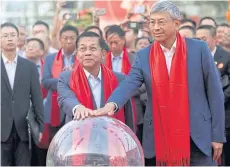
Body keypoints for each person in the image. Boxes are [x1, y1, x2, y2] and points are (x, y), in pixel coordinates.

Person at [92, 1, 226, 166]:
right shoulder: (144, 55)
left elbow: (215, 93)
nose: (155, 27)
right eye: (152, 22)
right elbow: (128, 84)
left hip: (197, 135)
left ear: (176, 23)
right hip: (160, 134)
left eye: (161, 22)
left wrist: (218, 135)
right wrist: (111, 105)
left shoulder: (198, 49)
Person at [57, 31, 135, 129]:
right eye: (83, 49)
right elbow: (65, 98)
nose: (87, 53)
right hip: (78, 136)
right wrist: (77, 107)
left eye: (93, 48)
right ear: (77, 54)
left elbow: (127, 115)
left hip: (112, 136)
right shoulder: (66, 78)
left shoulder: (119, 79)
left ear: (103, 53)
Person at [1, 22, 44, 166]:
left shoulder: (29, 67)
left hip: (24, 129)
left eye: (12, 35)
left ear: (18, 38)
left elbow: (37, 98)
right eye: (5, 36)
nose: (9, 39)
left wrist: (41, 126)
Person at [42, 25, 78, 141]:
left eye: (72, 38)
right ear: (60, 39)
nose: (68, 41)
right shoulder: (50, 58)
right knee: (55, 145)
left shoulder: (82, 58)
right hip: (54, 107)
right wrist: (65, 78)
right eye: (65, 38)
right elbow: (46, 82)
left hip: (76, 107)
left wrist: (72, 75)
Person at [24, 37, 48, 166]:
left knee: (42, 149)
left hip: (42, 114)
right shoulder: (17, 67)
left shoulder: (48, 67)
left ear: (42, 51)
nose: (30, 47)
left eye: (34, 45)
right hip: (23, 115)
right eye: (28, 45)